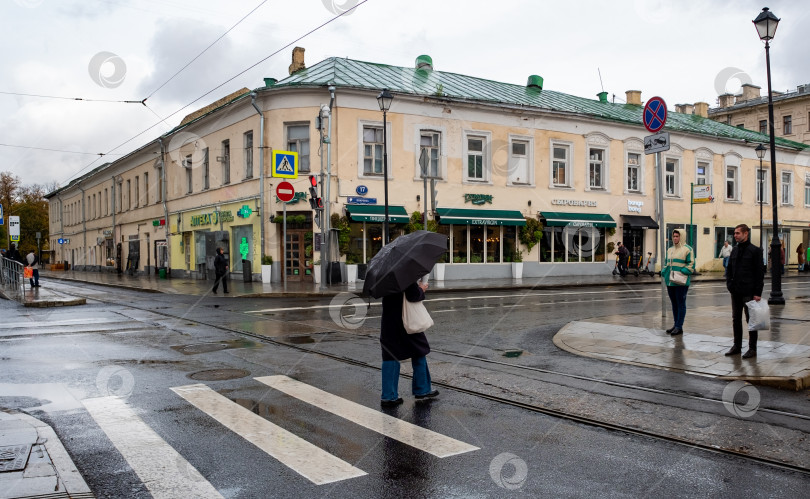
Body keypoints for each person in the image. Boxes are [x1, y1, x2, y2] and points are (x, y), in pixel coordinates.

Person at [379, 280, 438, 407]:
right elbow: (413, 295)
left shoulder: (385, 275)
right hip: (407, 320)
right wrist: (421, 289)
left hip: (389, 321)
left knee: (390, 354)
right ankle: (422, 389)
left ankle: (388, 396)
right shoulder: (404, 274)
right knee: (419, 350)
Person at [725, 224, 765, 359]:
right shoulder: (735, 250)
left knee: (751, 320)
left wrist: (758, 293)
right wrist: (729, 284)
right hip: (735, 291)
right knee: (736, 319)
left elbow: (760, 274)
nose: (735, 235)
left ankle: (752, 348)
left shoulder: (755, 251)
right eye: (734, 233)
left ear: (745, 233)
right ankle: (737, 346)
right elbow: (729, 269)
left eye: (737, 233)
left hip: (749, 292)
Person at [661, 229, 694, 336]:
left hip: (681, 282)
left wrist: (681, 272)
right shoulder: (670, 250)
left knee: (681, 304)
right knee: (674, 304)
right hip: (670, 281)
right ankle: (676, 325)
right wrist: (664, 273)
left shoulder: (688, 249)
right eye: (674, 236)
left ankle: (679, 326)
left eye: (677, 236)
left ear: (682, 237)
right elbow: (667, 264)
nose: (675, 238)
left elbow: (691, 265)